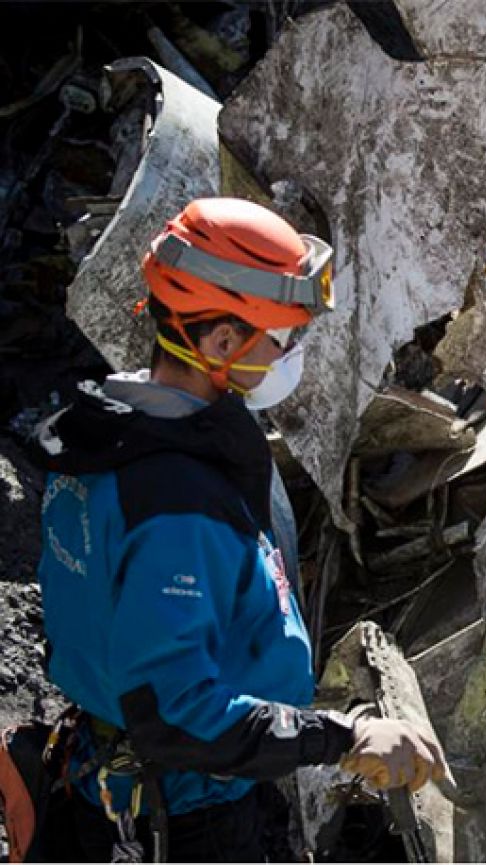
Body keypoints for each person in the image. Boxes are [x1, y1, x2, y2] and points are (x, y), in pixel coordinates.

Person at [35, 198, 443, 861]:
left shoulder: (109, 432)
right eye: (284, 339)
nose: (295, 354)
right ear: (221, 341)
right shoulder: (176, 507)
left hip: (120, 771)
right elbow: (176, 715)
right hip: (186, 816)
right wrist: (347, 737)